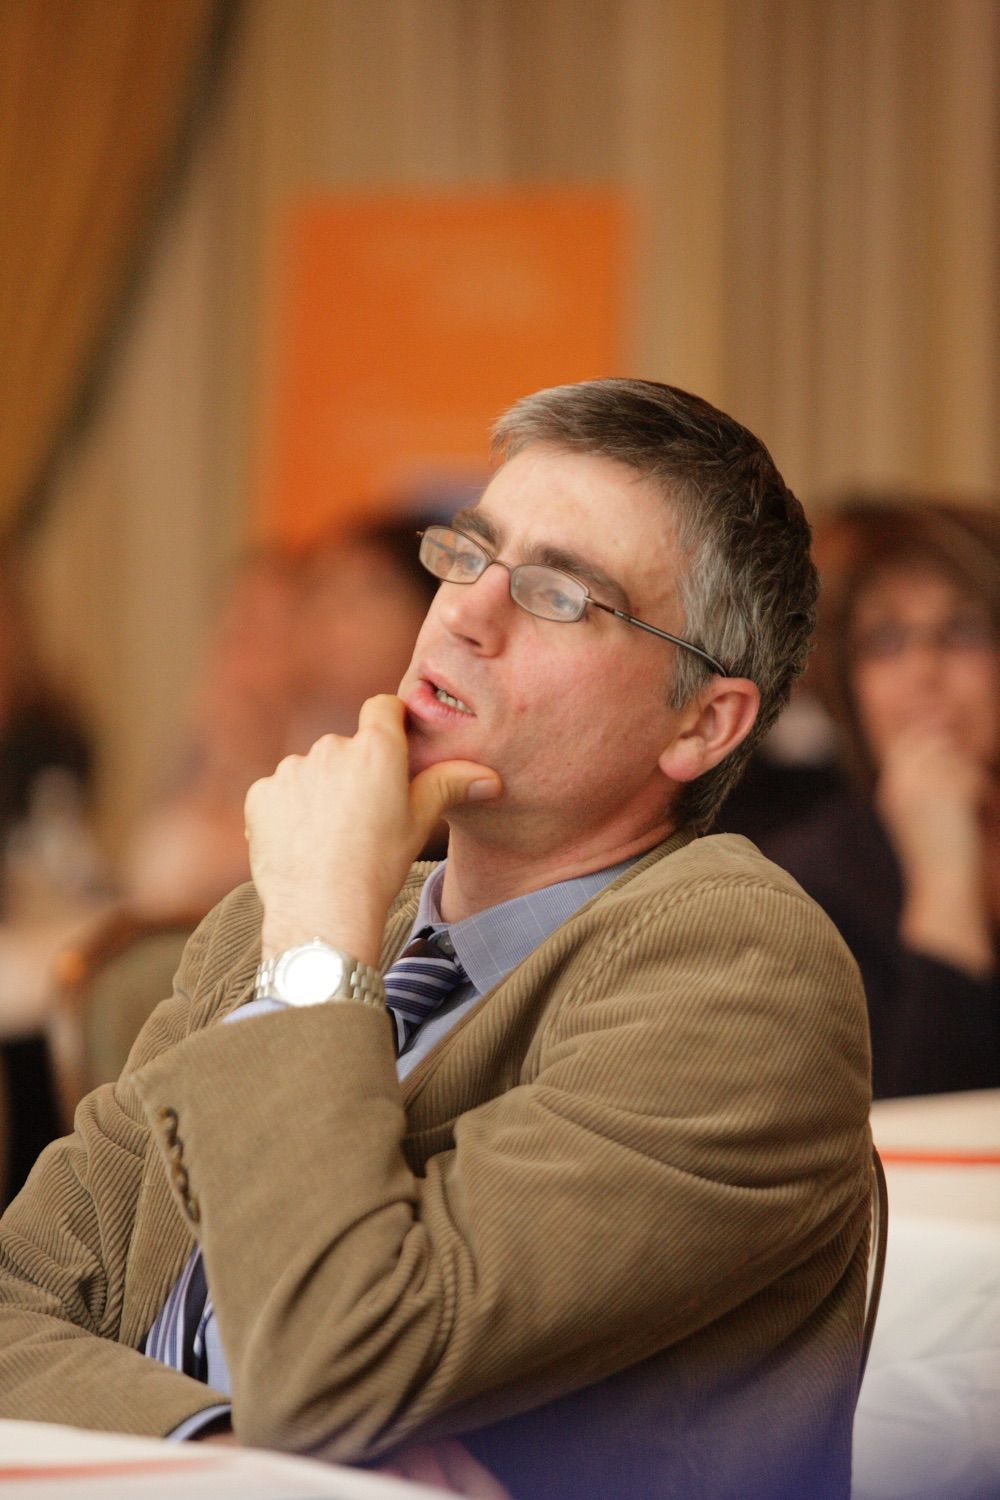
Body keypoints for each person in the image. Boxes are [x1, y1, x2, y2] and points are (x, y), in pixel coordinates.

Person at [0, 380, 871, 1500]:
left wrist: (318, 940)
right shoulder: (281, 922)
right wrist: (216, 1449)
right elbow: (16, 1296)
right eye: (469, 552)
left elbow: (333, 1367)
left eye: (560, 594)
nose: (463, 612)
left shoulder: (737, 968)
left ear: (702, 721)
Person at [770, 499, 1000, 1099]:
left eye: (963, 632)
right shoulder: (804, 882)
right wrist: (946, 882)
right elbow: (911, 1132)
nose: (924, 670)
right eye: (887, 641)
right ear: (848, 681)